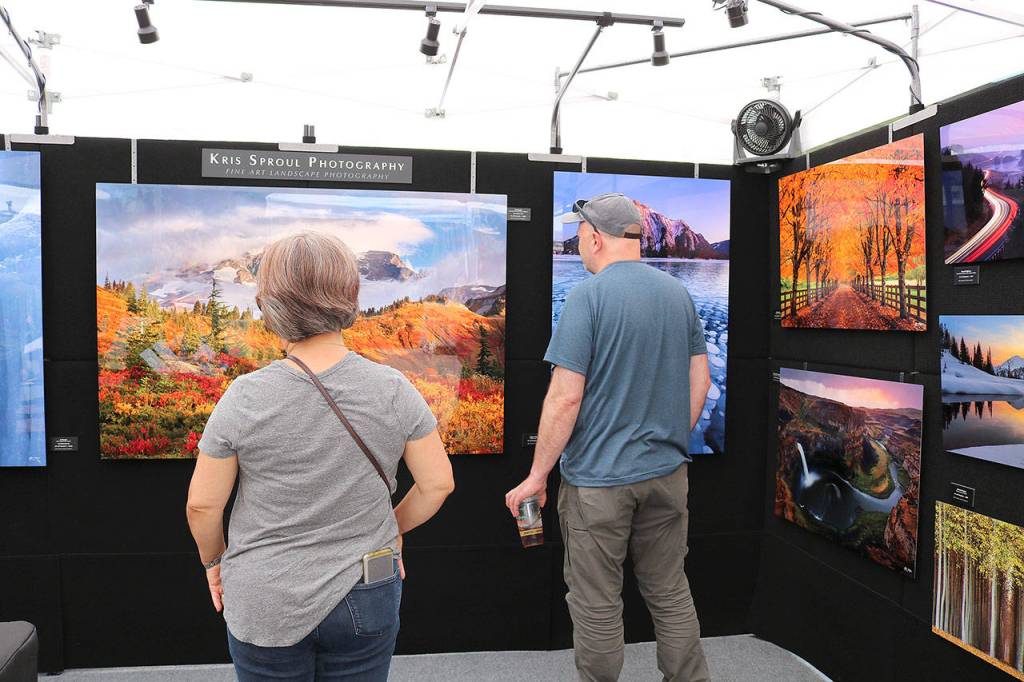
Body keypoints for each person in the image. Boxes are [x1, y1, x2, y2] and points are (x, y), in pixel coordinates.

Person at [186, 232, 455, 681]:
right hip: (367, 586)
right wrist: (391, 527)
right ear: (349, 295)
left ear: (270, 303)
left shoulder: (244, 397)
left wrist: (214, 563)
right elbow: (438, 484)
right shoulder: (392, 389)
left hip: (266, 593)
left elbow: (202, 506)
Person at [506, 193, 712, 682]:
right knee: (670, 591)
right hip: (667, 476)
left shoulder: (588, 297)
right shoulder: (678, 294)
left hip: (598, 484)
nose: (576, 244)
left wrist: (537, 476)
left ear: (595, 238)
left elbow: (565, 399)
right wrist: (667, 440)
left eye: (578, 235)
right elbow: (701, 382)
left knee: (596, 602)